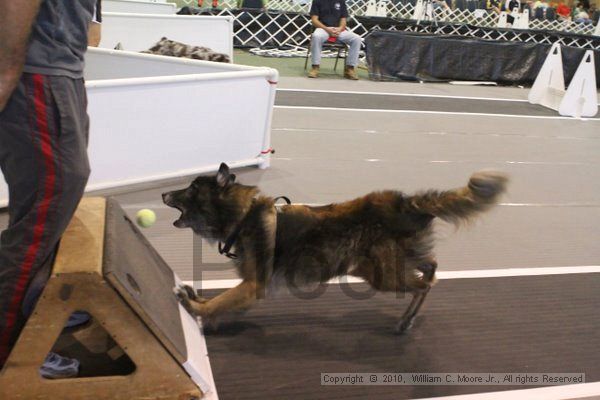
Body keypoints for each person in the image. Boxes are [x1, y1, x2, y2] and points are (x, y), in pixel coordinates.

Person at [0, 0, 101, 376]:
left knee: (52, 205)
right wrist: (8, 70)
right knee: (40, 218)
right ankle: (11, 354)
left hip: (59, 70)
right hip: (36, 73)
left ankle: (34, 307)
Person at [308, 0, 362, 80]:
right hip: (322, 28)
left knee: (356, 38)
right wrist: (327, 29)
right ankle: (315, 67)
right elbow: (314, 20)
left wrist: (340, 29)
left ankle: (350, 68)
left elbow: (343, 20)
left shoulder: (341, 1)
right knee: (316, 36)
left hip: (338, 30)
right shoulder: (317, 1)